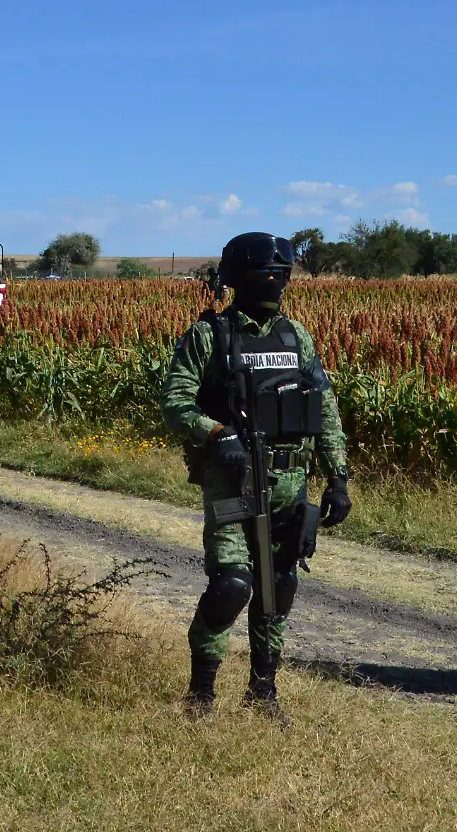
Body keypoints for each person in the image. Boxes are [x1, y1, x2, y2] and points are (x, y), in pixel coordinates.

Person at [160, 232, 351, 716]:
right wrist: (215, 433)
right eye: (270, 274)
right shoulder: (210, 336)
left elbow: (324, 407)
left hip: (291, 483)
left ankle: (263, 693)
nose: (277, 284)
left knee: (278, 585)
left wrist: (338, 477)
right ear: (240, 279)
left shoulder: (296, 335)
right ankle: (201, 694)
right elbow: (175, 403)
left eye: (282, 276)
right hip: (233, 483)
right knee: (232, 586)